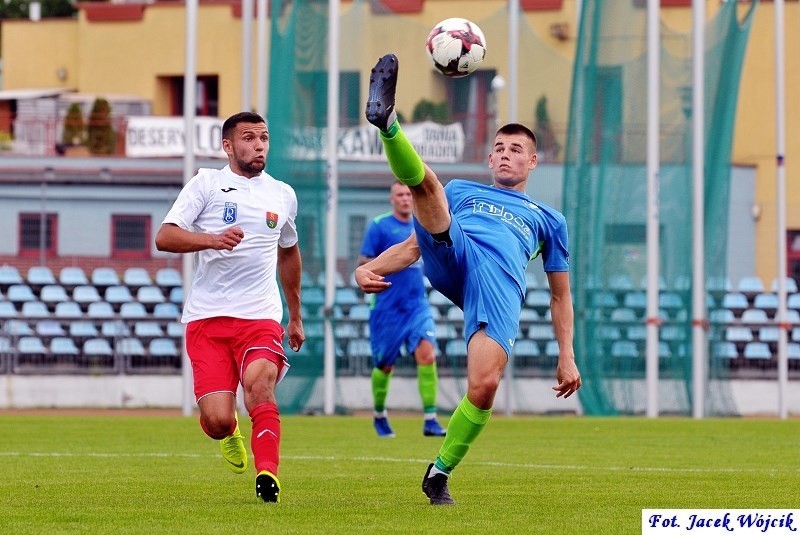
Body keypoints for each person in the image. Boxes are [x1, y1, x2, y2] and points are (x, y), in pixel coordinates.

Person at [356, 54, 582, 506]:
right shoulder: (464, 192)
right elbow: (415, 246)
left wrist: (567, 356)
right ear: (489, 156)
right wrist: (370, 268)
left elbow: (560, 295)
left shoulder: (550, 219)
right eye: (499, 148)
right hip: (456, 250)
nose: (505, 154)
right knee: (430, 188)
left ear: (533, 161)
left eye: (516, 150)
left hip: (498, 286)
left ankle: (438, 474)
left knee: (483, 386)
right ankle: (388, 123)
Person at [154, 111, 305, 504]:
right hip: (207, 319)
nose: (259, 146)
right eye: (249, 138)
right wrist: (210, 239)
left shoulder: (282, 194)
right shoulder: (207, 183)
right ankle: (228, 432)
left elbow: (289, 253)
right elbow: (165, 237)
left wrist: (295, 315)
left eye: (264, 138)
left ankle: (267, 474)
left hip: (260, 317)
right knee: (218, 420)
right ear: (228, 145)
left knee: (260, 388)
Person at [358, 182, 447, 438]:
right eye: (400, 194)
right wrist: (394, 259)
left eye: (409, 194)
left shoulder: (423, 224)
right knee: (385, 365)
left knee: (427, 355)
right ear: (392, 198)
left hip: (417, 305)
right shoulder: (379, 225)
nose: (406, 198)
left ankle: (431, 419)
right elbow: (363, 262)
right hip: (388, 307)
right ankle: (379, 415)